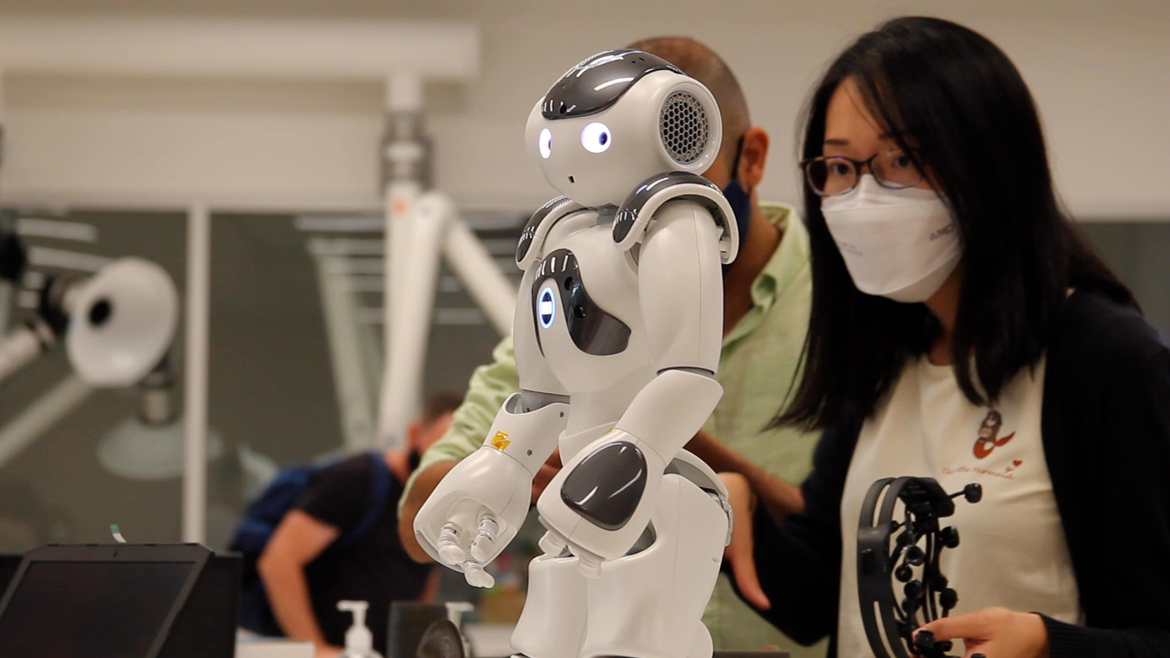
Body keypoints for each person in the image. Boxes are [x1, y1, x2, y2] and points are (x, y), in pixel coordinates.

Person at [721, 16, 1170, 658]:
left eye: (901, 160)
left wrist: (1049, 644)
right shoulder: (887, 360)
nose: (861, 196)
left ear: (988, 165)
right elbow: (820, 596)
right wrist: (727, 513)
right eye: (840, 166)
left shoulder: (1106, 360)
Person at [398, 37, 825, 655]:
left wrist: (637, 448)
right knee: (546, 631)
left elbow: (684, 373)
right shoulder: (561, 232)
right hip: (584, 490)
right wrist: (500, 463)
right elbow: (538, 389)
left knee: (635, 633)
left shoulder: (679, 222)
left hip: (658, 489)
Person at [257, 393, 462, 658]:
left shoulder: (442, 499)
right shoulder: (356, 480)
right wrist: (316, 649)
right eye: (443, 448)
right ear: (415, 434)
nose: (449, 464)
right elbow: (278, 561)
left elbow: (425, 572)